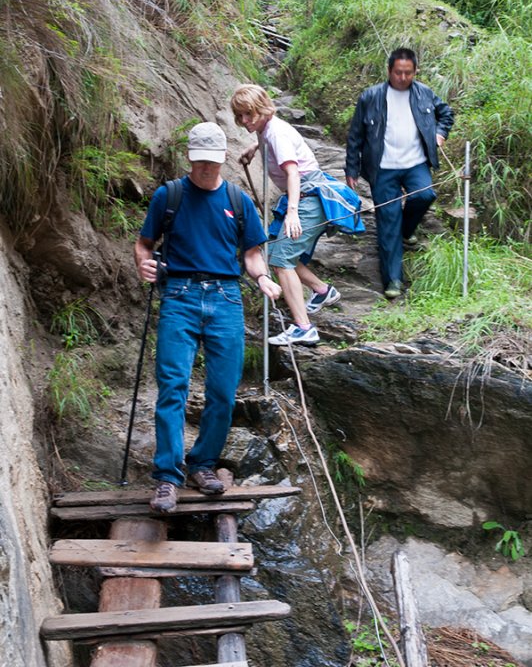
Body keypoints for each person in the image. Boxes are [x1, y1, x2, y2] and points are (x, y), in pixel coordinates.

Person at [134, 122, 281, 513]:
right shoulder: (171, 195)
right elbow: (144, 244)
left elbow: (252, 252)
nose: (206, 170)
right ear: (190, 157)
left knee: (222, 391)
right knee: (172, 386)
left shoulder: (238, 198)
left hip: (226, 298)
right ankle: (167, 476)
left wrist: (263, 277)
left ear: (221, 160)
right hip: (179, 296)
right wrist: (145, 266)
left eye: (212, 163)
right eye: (200, 162)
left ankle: (203, 464)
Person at [231, 84, 364, 346]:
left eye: (248, 115)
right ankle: (322, 290)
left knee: (280, 260)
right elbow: (266, 134)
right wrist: (253, 147)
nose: (244, 121)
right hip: (303, 195)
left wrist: (292, 212)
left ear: (261, 109)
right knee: (273, 252)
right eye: (240, 116)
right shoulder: (266, 128)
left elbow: (293, 172)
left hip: (307, 197)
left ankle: (304, 328)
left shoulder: (276, 133)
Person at [345, 47, 454, 299]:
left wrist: (440, 133)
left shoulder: (424, 93)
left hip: (415, 163)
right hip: (382, 167)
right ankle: (393, 279)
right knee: (387, 222)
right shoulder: (370, 97)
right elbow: (355, 136)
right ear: (389, 71)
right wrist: (351, 167)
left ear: (415, 71)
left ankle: (407, 229)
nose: (402, 78)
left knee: (425, 196)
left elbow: (446, 114)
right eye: (397, 73)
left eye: (407, 73)